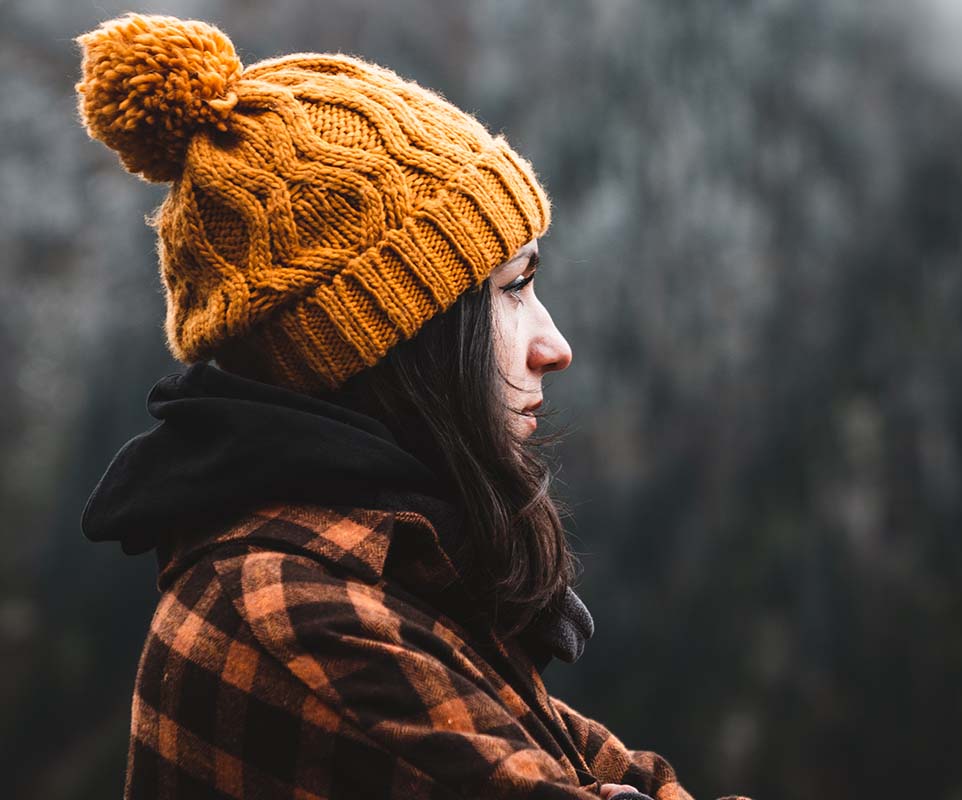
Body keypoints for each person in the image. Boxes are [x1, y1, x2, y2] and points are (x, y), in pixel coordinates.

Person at [75, 13, 750, 800]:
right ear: (383, 341)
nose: (555, 345)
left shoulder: (388, 568)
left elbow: (593, 766)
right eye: (514, 289)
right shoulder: (301, 624)